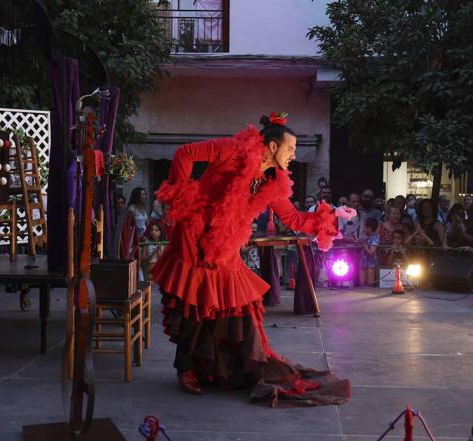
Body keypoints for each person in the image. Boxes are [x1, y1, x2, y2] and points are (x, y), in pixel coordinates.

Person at [151, 113, 353, 405]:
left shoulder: (273, 182)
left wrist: (332, 216)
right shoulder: (232, 149)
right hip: (195, 235)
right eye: (291, 149)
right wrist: (185, 200)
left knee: (238, 305)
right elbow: (186, 153)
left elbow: (294, 217)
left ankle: (226, 367)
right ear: (272, 147)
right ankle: (185, 370)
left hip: (226, 244)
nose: (294, 155)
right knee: (192, 304)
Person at [359, 218, 379, 287]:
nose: (364, 229)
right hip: (363, 262)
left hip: (371, 264)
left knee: (369, 284)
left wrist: (364, 245)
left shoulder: (375, 238)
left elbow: (371, 252)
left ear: (369, 228)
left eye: (365, 227)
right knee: (362, 284)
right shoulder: (365, 238)